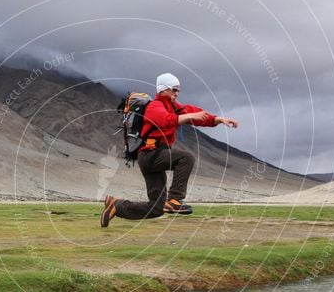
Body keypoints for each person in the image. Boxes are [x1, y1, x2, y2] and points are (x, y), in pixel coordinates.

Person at [101, 73, 239, 227]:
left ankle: (115, 206)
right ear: (163, 89)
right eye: (174, 90)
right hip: (150, 154)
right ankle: (175, 199)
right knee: (186, 158)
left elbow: (195, 115)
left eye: (178, 90)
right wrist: (189, 116)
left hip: (156, 155)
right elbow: (166, 120)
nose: (177, 93)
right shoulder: (154, 106)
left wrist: (218, 120)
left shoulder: (175, 107)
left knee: (156, 208)